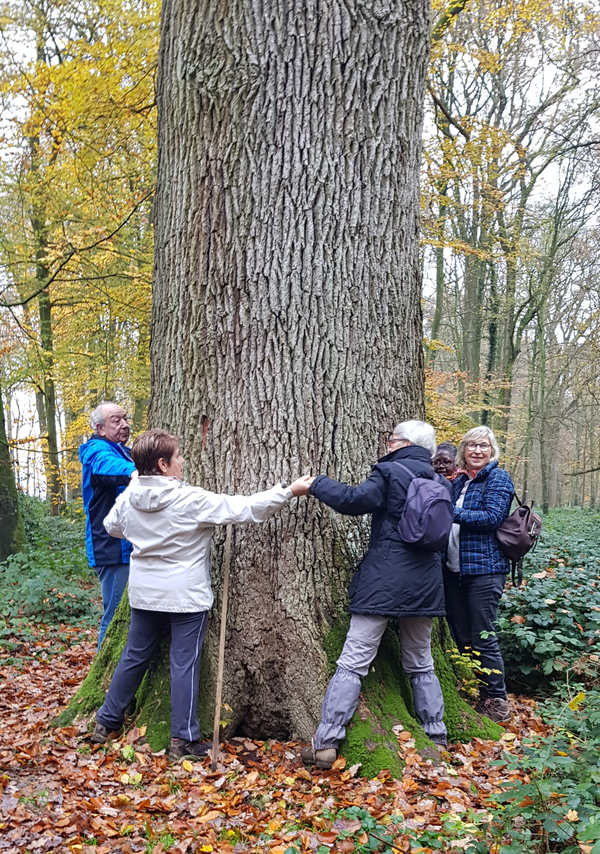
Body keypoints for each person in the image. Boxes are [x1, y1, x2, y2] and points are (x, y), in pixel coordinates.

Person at [91, 428, 312, 761]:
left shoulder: (130, 495)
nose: (183, 461)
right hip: (184, 596)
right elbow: (246, 508)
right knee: (184, 664)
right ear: (163, 465)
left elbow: (112, 526)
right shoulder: (189, 499)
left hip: (145, 592)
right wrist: (289, 491)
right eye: (178, 457)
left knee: (135, 656)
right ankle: (184, 740)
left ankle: (105, 722)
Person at [301, 419, 448, 771]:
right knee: (421, 661)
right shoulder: (439, 480)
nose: (387, 444)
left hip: (384, 580)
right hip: (425, 583)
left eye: (391, 439)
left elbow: (353, 501)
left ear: (401, 443)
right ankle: (437, 735)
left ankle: (325, 742)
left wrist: (316, 484)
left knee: (352, 662)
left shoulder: (390, 471)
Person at [444, 425, 514, 723]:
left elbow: (491, 518)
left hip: (485, 570)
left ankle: (497, 700)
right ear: (463, 449)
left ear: (492, 450)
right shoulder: (461, 483)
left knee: (483, 634)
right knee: (460, 633)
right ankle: (475, 689)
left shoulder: (497, 478)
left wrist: (447, 511)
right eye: (471, 445)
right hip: (455, 570)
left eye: (483, 446)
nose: (477, 451)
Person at [79, 401, 137, 650]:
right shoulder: (95, 450)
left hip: (130, 546)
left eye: (125, 419)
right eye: (116, 420)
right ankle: (105, 677)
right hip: (112, 548)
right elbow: (107, 467)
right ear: (100, 428)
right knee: (115, 616)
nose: (124, 424)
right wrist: (136, 472)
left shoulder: (123, 451)